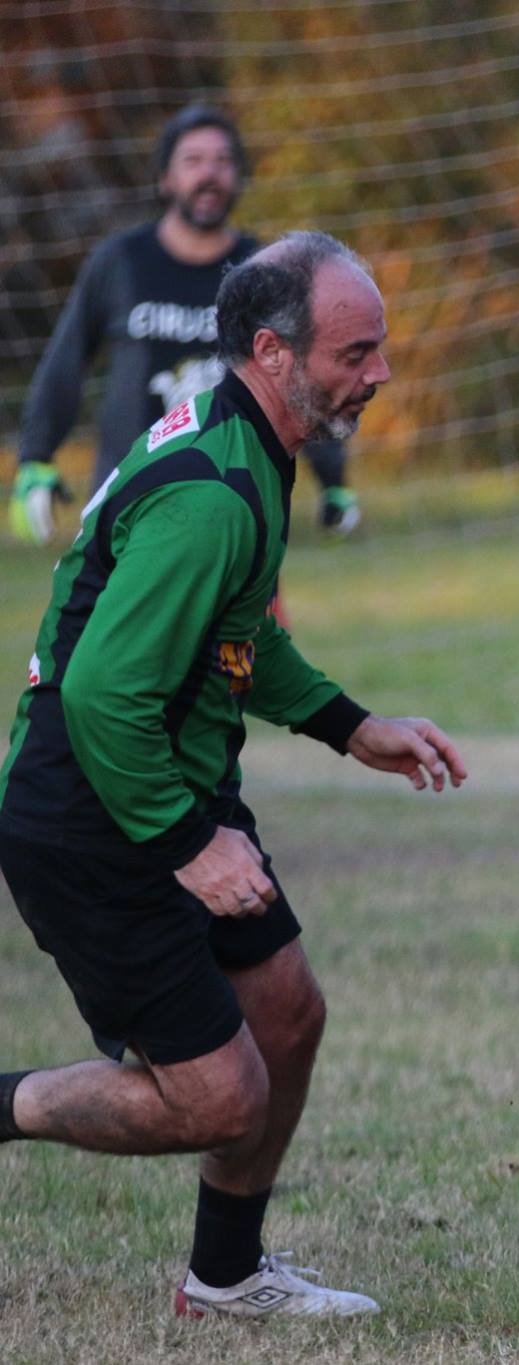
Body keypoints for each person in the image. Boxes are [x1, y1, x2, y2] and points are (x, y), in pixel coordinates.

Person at [0, 231, 465, 1318]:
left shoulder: (249, 442)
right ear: (274, 350)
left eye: (379, 347)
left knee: (289, 1015)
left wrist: (353, 727)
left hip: (166, 782)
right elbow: (102, 693)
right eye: (357, 351)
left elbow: (238, 632)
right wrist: (184, 846)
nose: (380, 373)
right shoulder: (214, 490)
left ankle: (225, 1278)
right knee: (215, 1100)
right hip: (96, 810)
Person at [9, 104, 360, 546]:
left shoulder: (265, 270)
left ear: (238, 178)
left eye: (222, 161)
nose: (208, 174)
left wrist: (334, 479)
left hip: (237, 507)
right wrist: (35, 459)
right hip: (127, 505)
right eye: (193, 161)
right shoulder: (119, 262)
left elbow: (298, 379)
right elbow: (66, 361)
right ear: (165, 178)